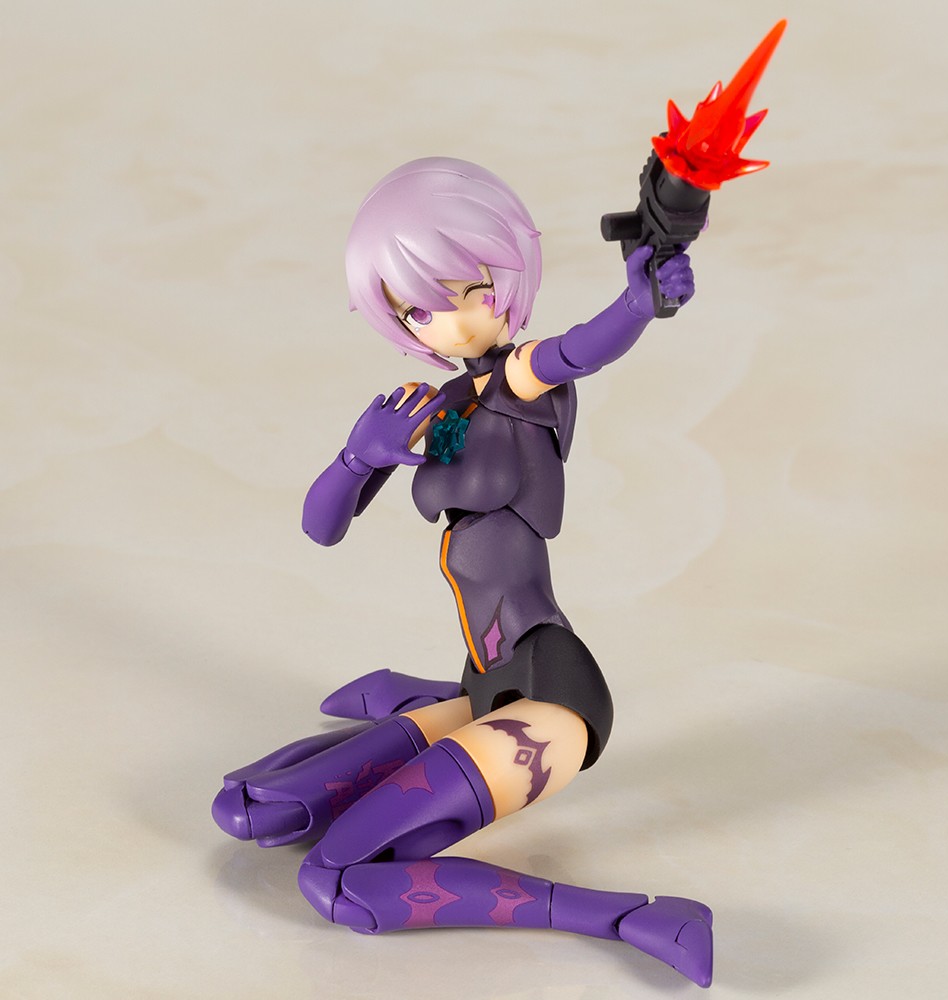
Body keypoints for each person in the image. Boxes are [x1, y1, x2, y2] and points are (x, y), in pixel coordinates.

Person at [213, 157, 712, 987]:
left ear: (507, 281)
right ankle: (421, 701)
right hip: (485, 681)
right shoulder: (438, 409)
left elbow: (583, 349)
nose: (449, 319)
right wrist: (359, 455)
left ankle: (629, 915)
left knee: (337, 880)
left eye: (472, 289)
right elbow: (320, 527)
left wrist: (639, 300)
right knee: (251, 807)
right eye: (419, 306)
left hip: (550, 697)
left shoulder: (521, 381)